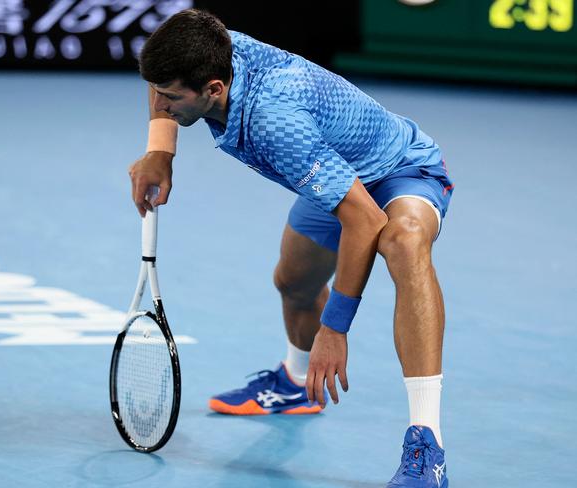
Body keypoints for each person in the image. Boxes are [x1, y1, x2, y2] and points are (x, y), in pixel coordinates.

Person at [129, 9, 453, 488]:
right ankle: (295, 384)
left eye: (172, 98)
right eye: (159, 91)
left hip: (399, 169)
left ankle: (428, 445)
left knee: (403, 243)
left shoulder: (274, 122)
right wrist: (161, 150)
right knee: (294, 281)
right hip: (333, 170)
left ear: (214, 90)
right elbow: (162, 77)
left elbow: (364, 219)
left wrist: (335, 328)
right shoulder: (209, 47)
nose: (161, 102)